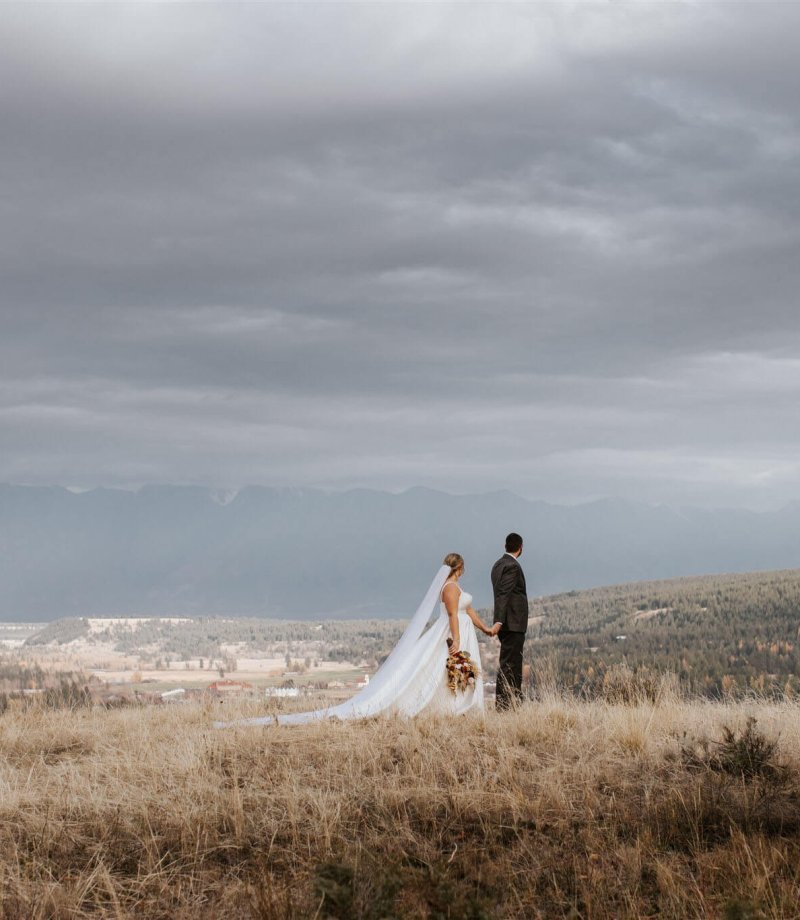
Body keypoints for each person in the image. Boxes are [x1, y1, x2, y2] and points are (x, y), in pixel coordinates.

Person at [215, 553, 499, 728]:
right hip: (453, 634)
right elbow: (452, 614)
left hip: (466, 632)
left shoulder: (456, 586)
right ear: (458, 567)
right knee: (444, 670)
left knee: (458, 672)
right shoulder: (450, 589)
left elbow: (468, 610)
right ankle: (451, 707)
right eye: (463, 566)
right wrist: (456, 639)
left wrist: (486, 629)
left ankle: (461, 707)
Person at [491, 532, 529, 710]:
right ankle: (507, 704)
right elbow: (503, 594)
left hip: (507, 623)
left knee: (508, 662)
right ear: (520, 548)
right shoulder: (512, 566)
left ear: (505, 546)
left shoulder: (497, 565)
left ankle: (509, 702)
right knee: (511, 664)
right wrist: (499, 620)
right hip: (513, 623)